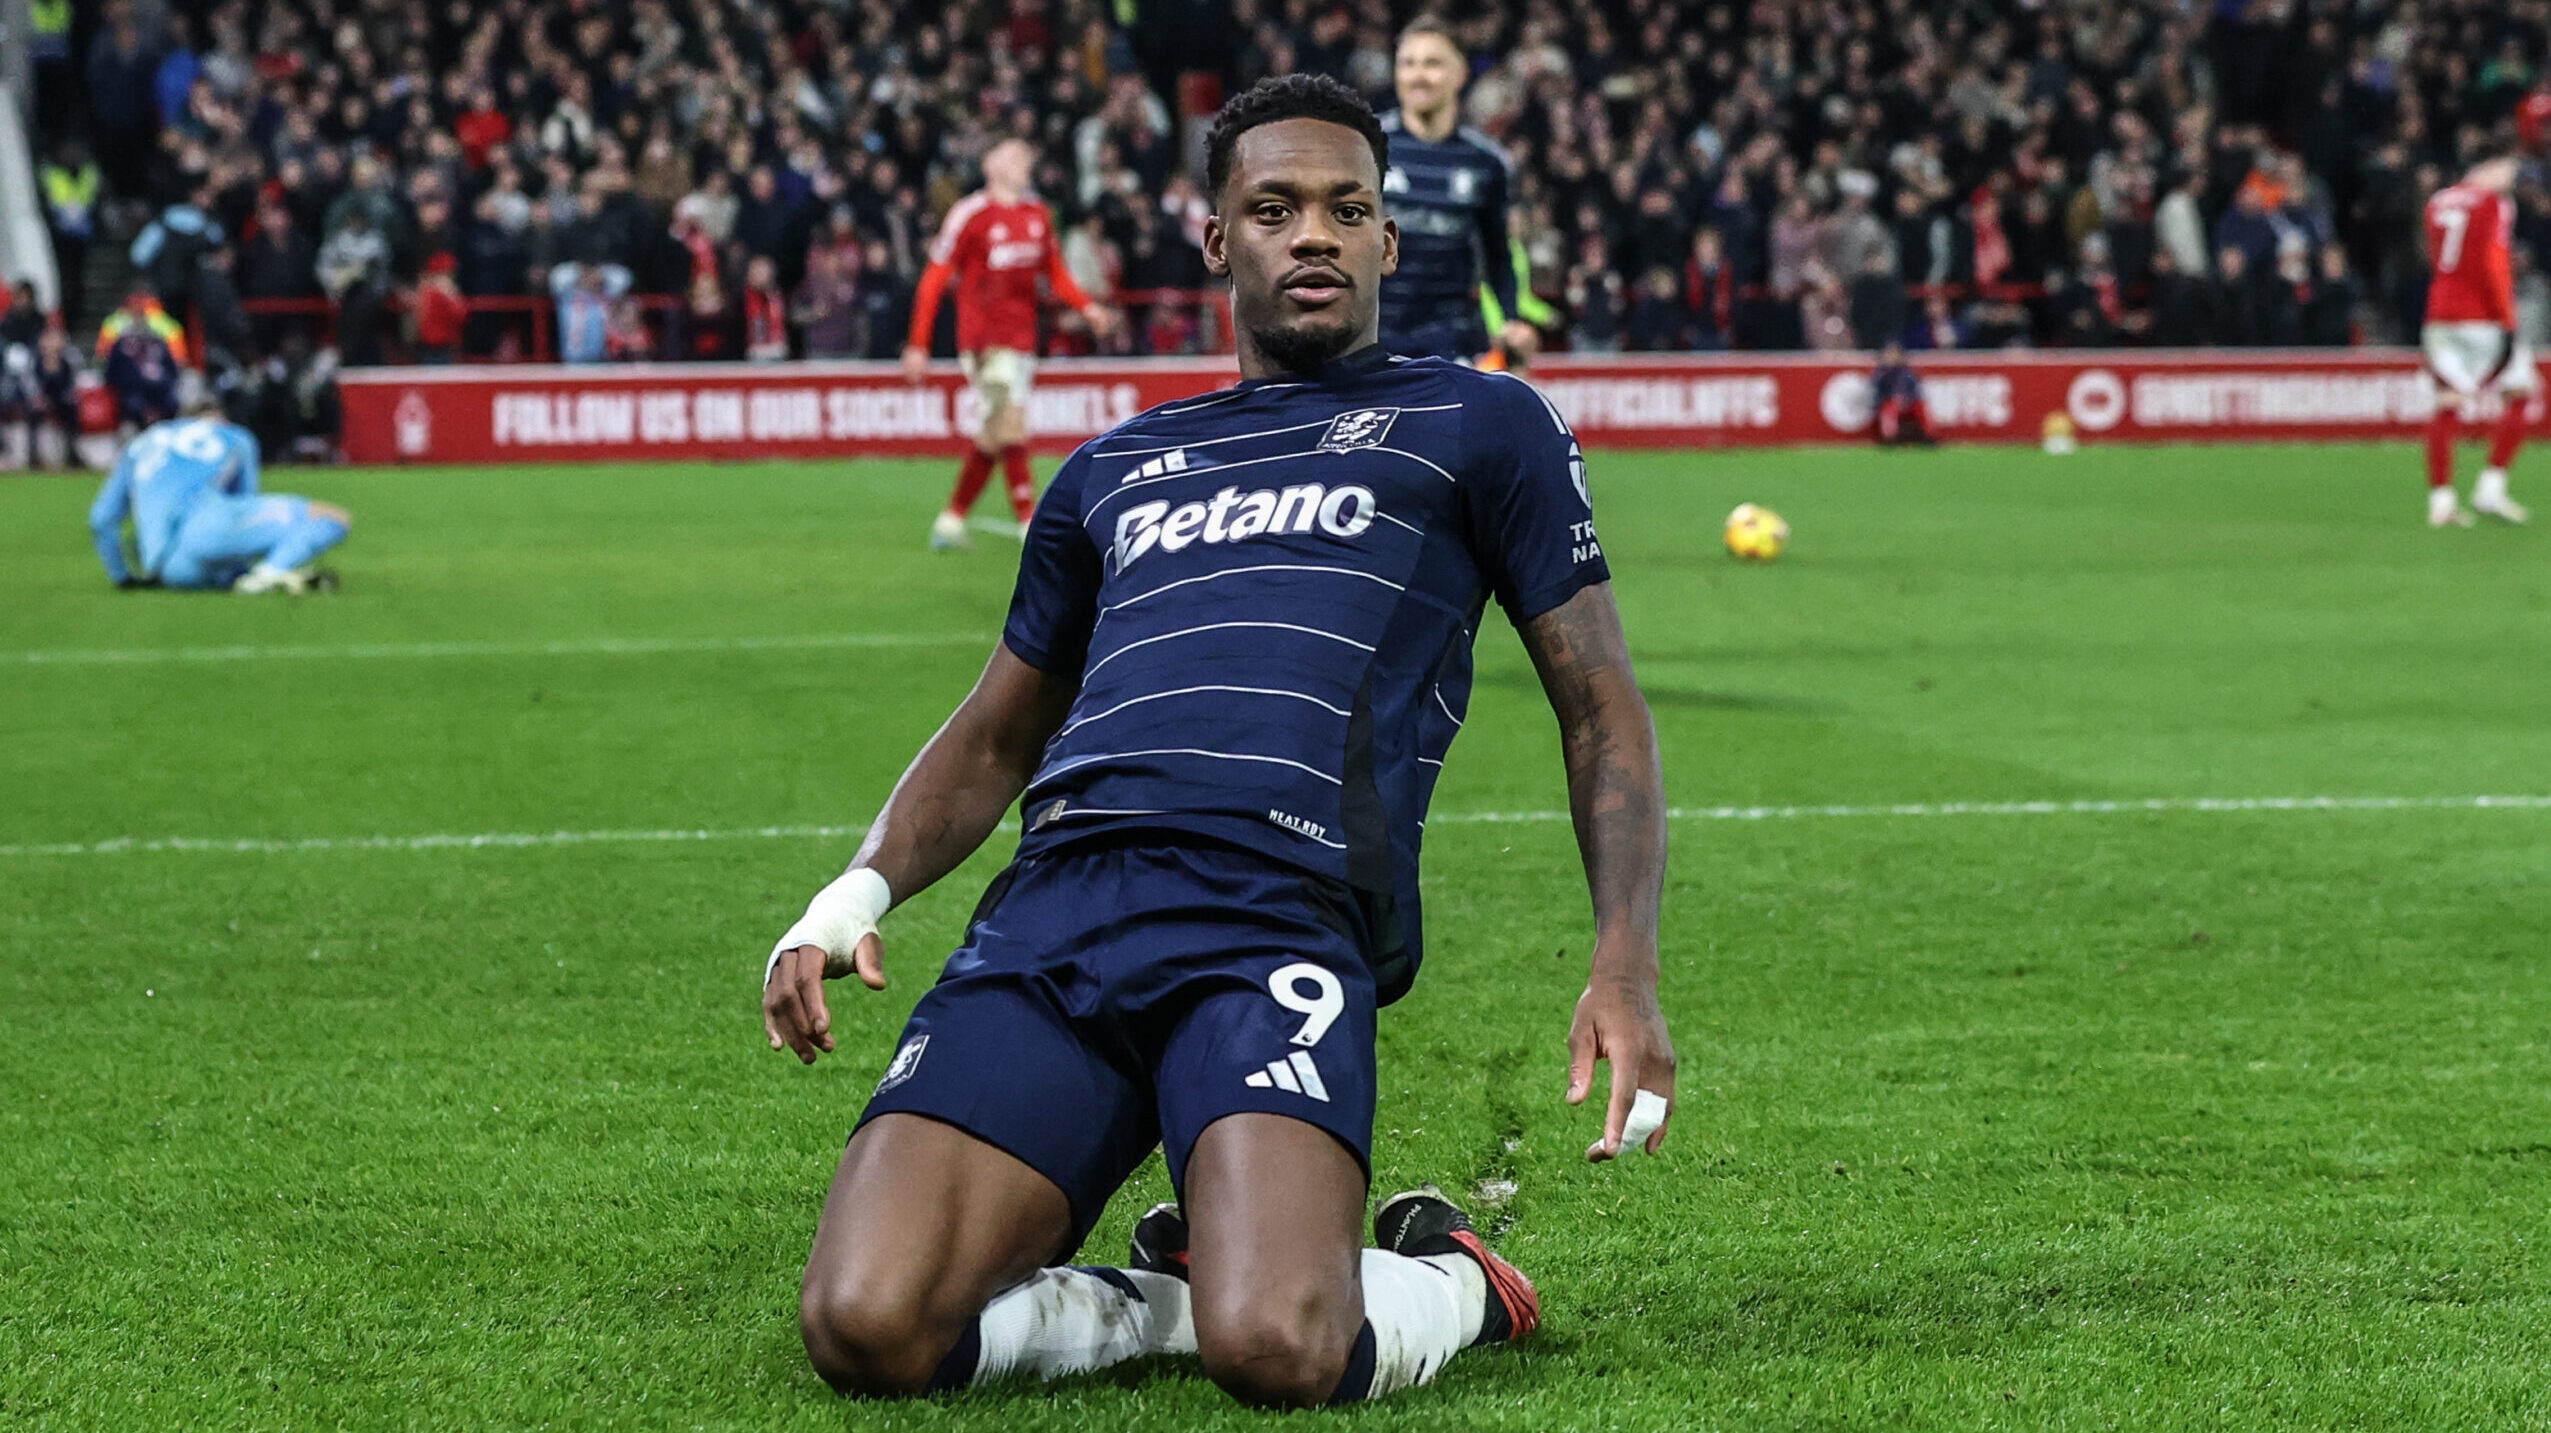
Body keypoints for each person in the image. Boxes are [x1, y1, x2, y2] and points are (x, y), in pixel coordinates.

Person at [763, 73, 1674, 1410]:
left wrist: (1623, 956)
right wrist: (849, 894)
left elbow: (1597, 699)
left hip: (1276, 914)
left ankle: (1457, 1281)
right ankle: (1167, 1297)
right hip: (1056, 918)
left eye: (1342, 208)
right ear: (1216, 239)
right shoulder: (1113, 470)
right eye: (1273, 206)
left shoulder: (1479, 424)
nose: (1310, 233)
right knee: (864, 1325)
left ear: (1385, 243)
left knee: (1284, 1350)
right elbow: (993, 729)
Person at [903, 138, 1117, 550]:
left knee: (995, 432)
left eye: (1026, 156)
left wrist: (1087, 307)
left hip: (1022, 339)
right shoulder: (970, 214)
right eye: (1016, 156)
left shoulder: (1038, 214)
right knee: (1012, 422)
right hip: (984, 341)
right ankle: (1029, 523)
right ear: (991, 165)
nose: (1025, 163)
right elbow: (933, 279)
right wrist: (918, 344)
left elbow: (1053, 272)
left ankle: (950, 522)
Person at [1375, 18, 1536, 366]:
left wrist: (1511, 320)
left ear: (1460, 74)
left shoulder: (1488, 162)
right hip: (1373, 340)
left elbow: (1498, 254)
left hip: (1453, 344)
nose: (1418, 74)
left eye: (1432, 63)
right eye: (1408, 63)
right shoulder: (1367, 146)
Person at [88, 403, 351, 593]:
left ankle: (246, 576)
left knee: (224, 569)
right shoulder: (234, 436)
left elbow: (101, 519)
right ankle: (271, 571)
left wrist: (123, 578)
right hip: (208, 530)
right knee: (332, 518)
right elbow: (245, 499)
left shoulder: (140, 444)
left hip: (169, 569)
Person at [2421, 149, 2532, 526]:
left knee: (2446, 403)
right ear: (2489, 166)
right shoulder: (2495, 204)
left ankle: (2441, 501)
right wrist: (2507, 318)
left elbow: (2438, 255)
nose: (2510, 179)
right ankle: (2491, 488)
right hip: (2482, 317)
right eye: (2507, 169)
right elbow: (2492, 262)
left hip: (2439, 314)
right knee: (2521, 394)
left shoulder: (2437, 201)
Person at [1871, 341, 1936, 445]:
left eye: (1895, 354)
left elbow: (1916, 389)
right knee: (1889, 410)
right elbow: (1877, 388)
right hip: (1890, 403)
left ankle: (1929, 435)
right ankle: (1890, 437)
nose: (1893, 357)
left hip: (1908, 403)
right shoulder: (1881, 372)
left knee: (1921, 407)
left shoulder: (1908, 372)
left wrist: (1906, 399)